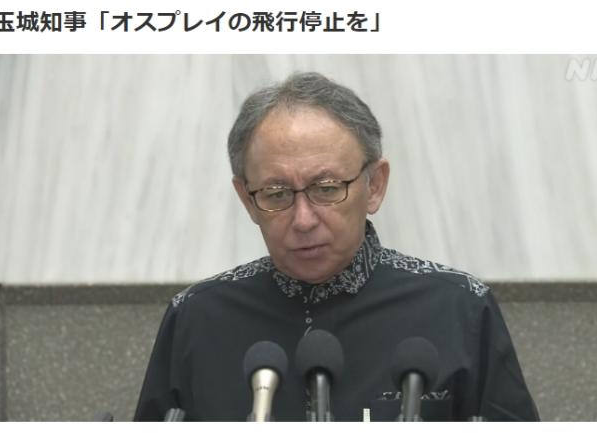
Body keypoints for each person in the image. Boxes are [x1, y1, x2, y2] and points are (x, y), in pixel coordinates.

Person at [134, 72, 540, 421]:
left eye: (327, 189)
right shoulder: (197, 318)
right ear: (247, 200)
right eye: (276, 194)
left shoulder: (459, 308)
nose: (303, 219)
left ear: (374, 185)